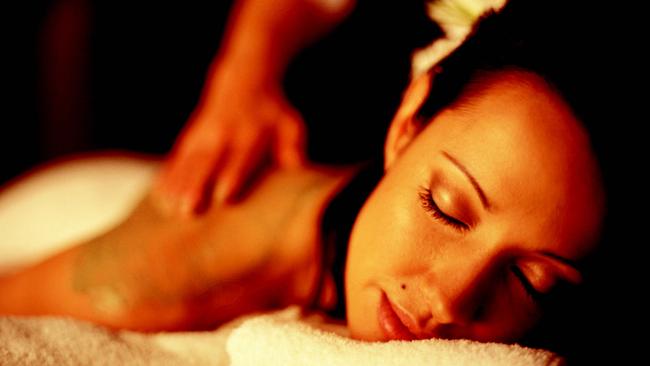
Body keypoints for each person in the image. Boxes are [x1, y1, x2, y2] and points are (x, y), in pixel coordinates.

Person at [0, 0, 625, 362]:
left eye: (530, 281)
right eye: (447, 209)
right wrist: (245, 69)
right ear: (407, 121)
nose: (450, 300)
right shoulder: (189, 263)